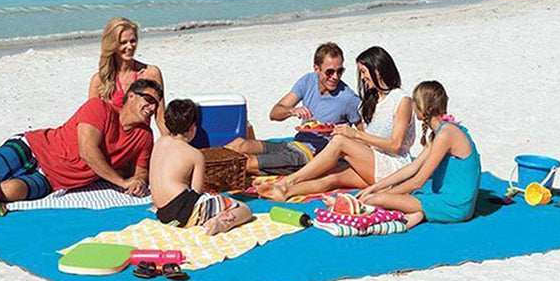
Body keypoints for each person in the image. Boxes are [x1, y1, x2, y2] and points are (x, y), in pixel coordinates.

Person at [0, 79, 162, 204]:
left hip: (52, 179)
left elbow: (141, 169)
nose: (151, 107)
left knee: (6, 193)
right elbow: (88, 151)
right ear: (130, 96)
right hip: (34, 147)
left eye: (156, 103)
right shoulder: (100, 108)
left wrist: (138, 179)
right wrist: (121, 181)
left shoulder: (144, 137)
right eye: (147, 100)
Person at [256, 47, 415, 200]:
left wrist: (354, 135)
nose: (363, 78)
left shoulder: (402, 100)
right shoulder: (373, 100)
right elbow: (370, 140)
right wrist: (346, 134)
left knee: (339, 142)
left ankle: (288, 181)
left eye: (363, 72)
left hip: (394, 167)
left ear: (377, 71)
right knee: (331, 178)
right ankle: (284, 191)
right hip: (374, 162)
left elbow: (395, 145)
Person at [356, 80, 481, 230]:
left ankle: (359, 208)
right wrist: (375, 187)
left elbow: (418, 181)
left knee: (378, 199)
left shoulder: (446, 134)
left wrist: (382, 196)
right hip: (448, 201)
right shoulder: (441, 132)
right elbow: (413, 167)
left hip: (453, 206)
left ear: (422, 107)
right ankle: (413, 216)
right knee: (381, 195)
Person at [225, 42, 361, 175]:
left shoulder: (348, 98)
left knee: (245, 163)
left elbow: (363, 134)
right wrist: (292, 111)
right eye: (330, 72)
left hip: (311, 156)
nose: (335, 77)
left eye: (340, 71)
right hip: (295, 143)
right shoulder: (308, 81)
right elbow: (274, 113)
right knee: (239, 144)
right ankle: (206, 162)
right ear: (316, 69)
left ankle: (208, 177)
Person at [149, 99, 253, 235]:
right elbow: (196, 192)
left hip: (163, 213)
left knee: (211, 202)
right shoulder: (194, 154)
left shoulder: (159, 142)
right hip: (184, 213)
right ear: (193, 128)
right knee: (244, 209)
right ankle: (221, 224)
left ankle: (212, 216)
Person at [88, 16, 167, 134]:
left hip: (141, 141)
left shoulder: (151, 73)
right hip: (111, 145)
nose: (129, 47)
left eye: (133, 41)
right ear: (112, 45)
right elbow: (92, 124)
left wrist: (171, 145)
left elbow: (160, 119)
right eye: (123, 42)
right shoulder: (99, 80)